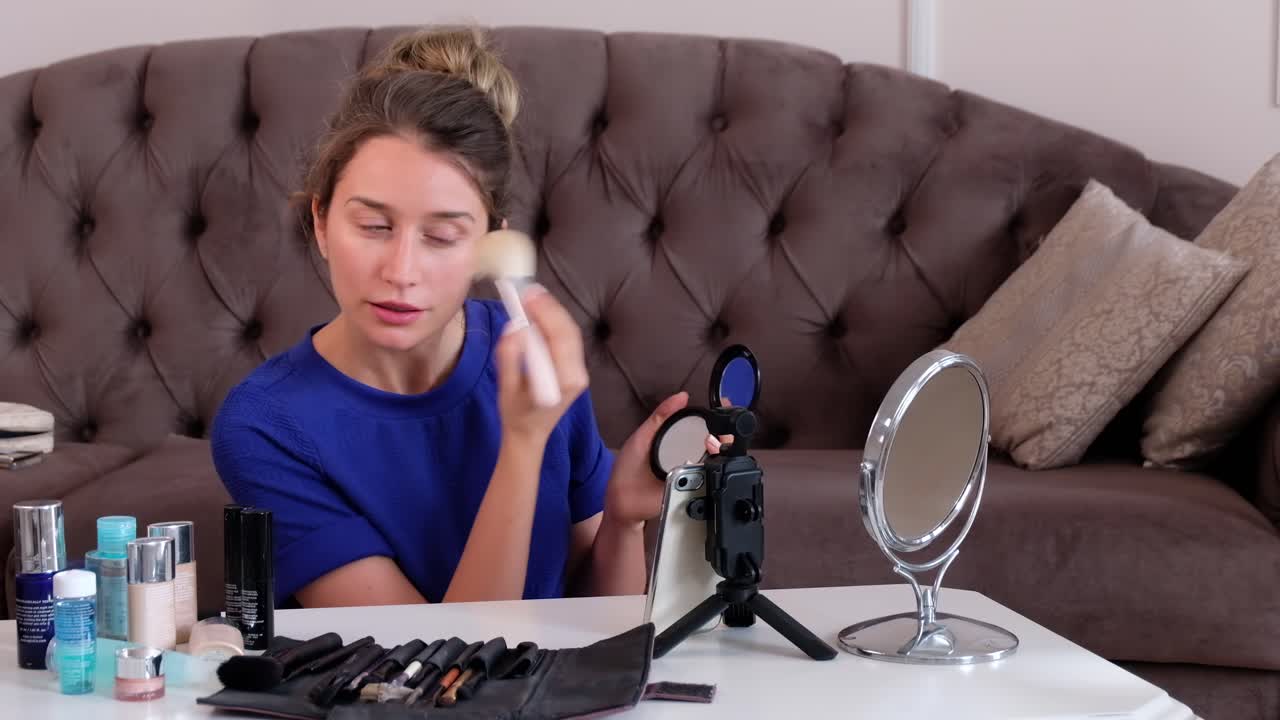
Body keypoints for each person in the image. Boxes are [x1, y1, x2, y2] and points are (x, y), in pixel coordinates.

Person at [209, 26, 691, 608]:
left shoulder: (529, 362)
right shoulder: (266, 425)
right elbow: (433, 670)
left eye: (441, 236)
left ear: (489, 247)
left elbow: (601, 622)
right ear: (320, 221)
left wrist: (622, 519)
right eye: (374, 226)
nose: (402, 270)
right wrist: (521, 445)